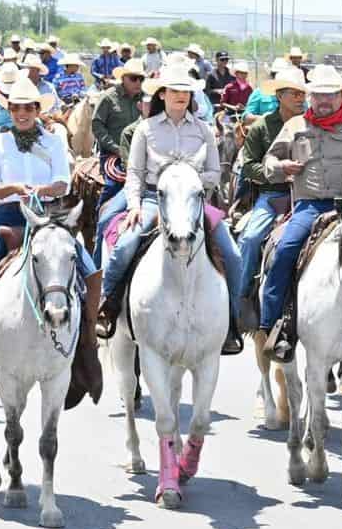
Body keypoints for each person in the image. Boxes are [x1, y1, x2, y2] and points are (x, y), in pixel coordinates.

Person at [0, 77, 102, 406]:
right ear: (10, 110)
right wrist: (15, 189)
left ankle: (88, 340)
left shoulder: (53, 142)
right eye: (15, 107)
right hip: (7, 217)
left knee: (90, 271)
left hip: (50, 218)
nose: (21, 113)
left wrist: (45, 191)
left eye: (27, 107)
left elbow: (63, 181)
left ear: (37, 110)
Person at [95, 70, 244, 353]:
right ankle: (108, 306)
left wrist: (189, 182)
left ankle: (231, 323)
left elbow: (214, 172)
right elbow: (135, 173)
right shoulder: (146, 129)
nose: (180, 96)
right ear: (162, 94)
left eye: (185, 91)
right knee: (125, 246)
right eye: (175, 90)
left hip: (192, 200)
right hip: (153, 197)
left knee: (234, 256)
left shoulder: (203, 130)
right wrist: (135, 205)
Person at [259, 65, 342, 362]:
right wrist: (282, 167)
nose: (323, 101)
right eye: (317, 95)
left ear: (340, 97)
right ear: (310, 96)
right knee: (283, 252)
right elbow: (269, 160)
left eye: (329, 95)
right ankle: (276, 326)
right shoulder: (295, 126)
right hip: (310, 208)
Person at [234, 70, 305, 301]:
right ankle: (240, 296)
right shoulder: (261, 127)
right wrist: (279, 173)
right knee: (250, 238)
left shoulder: (312, 125)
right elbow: (248, 167)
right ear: (280, 96)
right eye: (294, 94)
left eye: (302, 93)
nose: (300, 98)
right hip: (273, 196)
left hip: (309, 196)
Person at [90, 59, 146, 205]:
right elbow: (97, 126)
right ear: (123, 79)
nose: (138, 83)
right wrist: (117, 149)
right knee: (112, 187)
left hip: (143, 153)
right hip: (113, 155)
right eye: (134, 79)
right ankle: (101, 220)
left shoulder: (146, 99)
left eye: (141, 79)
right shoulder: (108, 98)